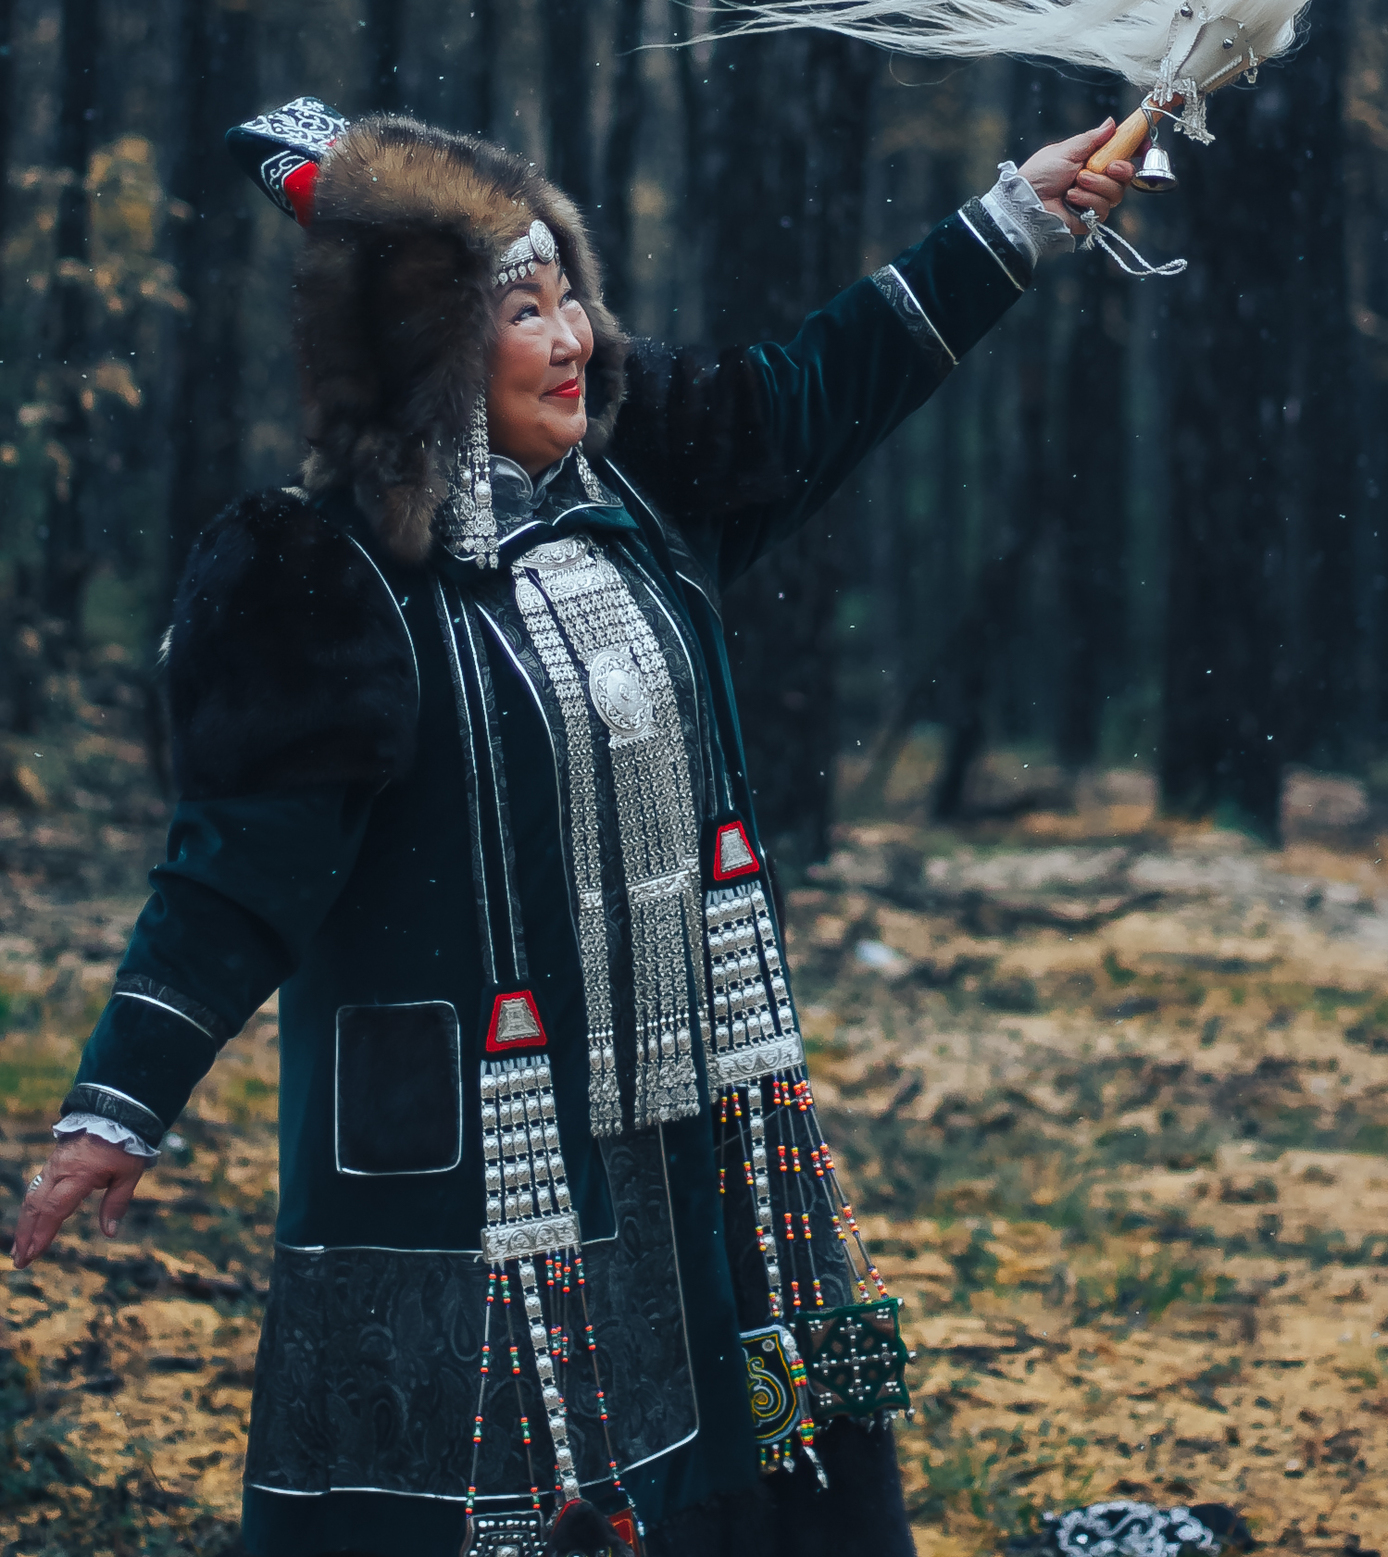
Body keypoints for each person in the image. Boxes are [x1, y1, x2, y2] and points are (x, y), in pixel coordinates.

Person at [10, 100, 1135, 1557]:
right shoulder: (325, 574)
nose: (573, 339)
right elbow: (234, 872)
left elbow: (826, 383)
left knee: (750, 1466)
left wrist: (1019, 217)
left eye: (571, 300)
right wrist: (121, 1101)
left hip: (698, 1124)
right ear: (425, 348)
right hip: (481, 1156)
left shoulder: (650, 473)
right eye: (522, 310)